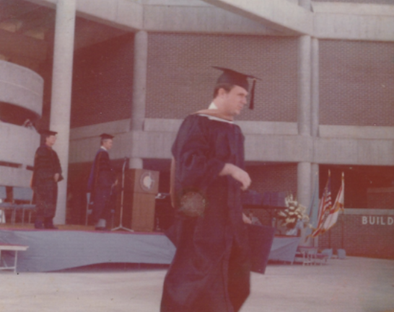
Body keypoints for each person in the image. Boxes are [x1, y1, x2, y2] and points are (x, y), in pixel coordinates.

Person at [160, 67, 260, 312]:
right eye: (240, 95)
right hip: (203, 220)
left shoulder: (235, 130)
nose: (244, 102)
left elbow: (234, 184)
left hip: (229, 221)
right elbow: (189, 166)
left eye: (246, 97)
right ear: (221, 92)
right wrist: (228, 168)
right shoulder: (196, 123)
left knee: (236, 278)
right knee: (197, 282)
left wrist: (239, 211)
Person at [31, 129, 63, 229]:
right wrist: (51, 174)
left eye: (55, 138)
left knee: (52, 201)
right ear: (46, 138)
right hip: (43, 181)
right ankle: (39, 222)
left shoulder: (54, 153)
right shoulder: (41, 150)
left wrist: (58, 172)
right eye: (52, 137)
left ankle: (49, 222)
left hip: (52, 182)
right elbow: (40, 167)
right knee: (42, 202)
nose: (54, 139)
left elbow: (58, 165)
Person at [87, 133, 117, 230]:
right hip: (103, 185)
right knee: (101, 203)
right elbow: (103, 172)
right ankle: (99, 225)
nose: (111, 145)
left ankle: (101, 225)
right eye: (110, 142)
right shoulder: (102, 153)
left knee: (103, 204)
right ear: (104, 142)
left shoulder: (102, 153)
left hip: (103, 184)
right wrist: (110, 182)